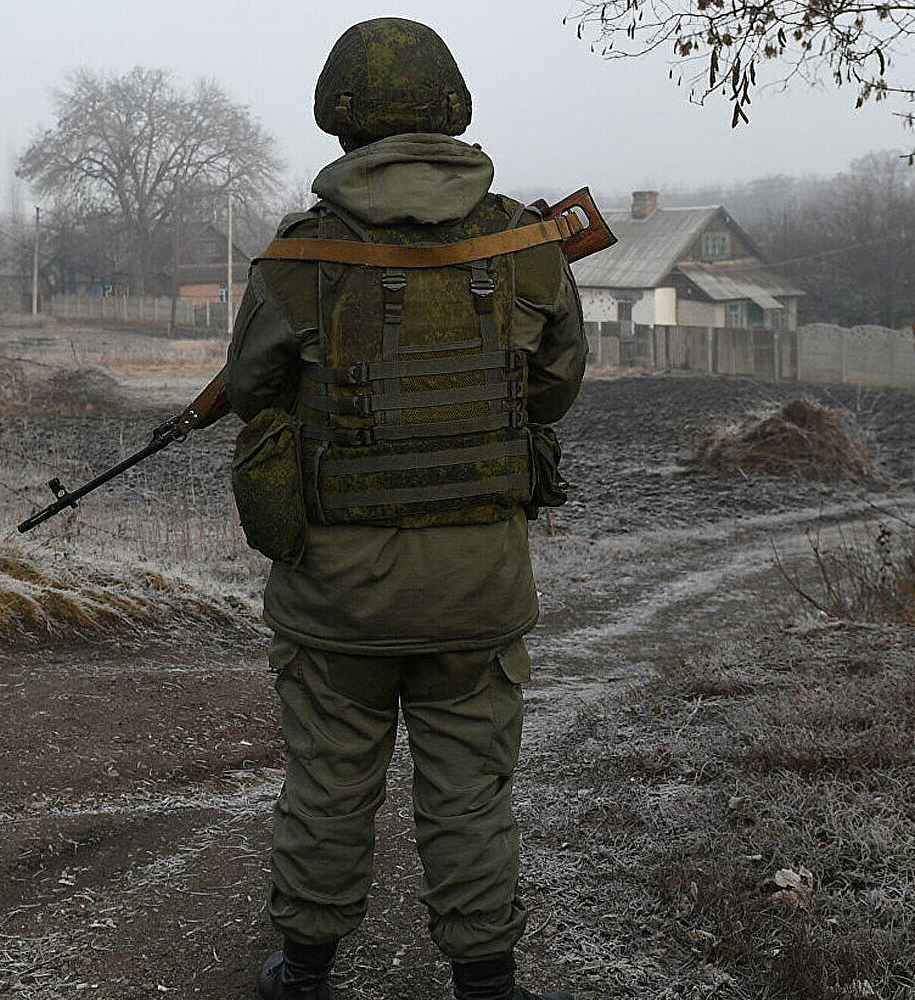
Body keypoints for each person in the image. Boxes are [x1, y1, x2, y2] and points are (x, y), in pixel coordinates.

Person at [225, 17, 586, 1000]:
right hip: (477, 585)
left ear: (340, 119)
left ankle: (303, 971)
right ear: (450, 110)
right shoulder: (528, 245)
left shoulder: (296, 257)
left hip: (335, 589)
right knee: (470, 791)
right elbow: (552, 393)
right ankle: (486, 981)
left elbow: (253, 391)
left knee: (328, 781)